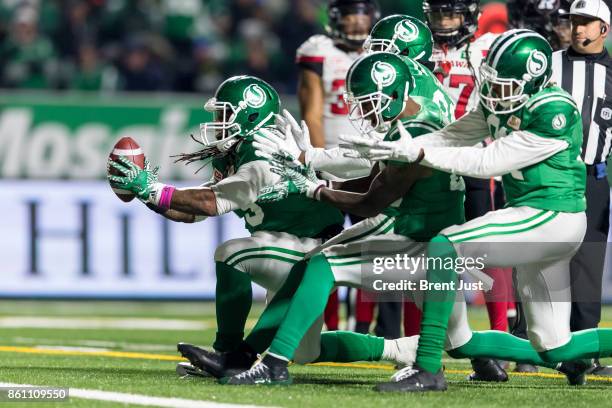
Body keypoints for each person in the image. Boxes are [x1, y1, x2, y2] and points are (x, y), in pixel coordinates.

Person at [340, 29, 612, 393]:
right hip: (536, 219)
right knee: (553, 345)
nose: (495, 91)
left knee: (445, 245)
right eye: (492, 81)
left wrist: (417, 154)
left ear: (531, 80)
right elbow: (452, 136)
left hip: (552, 217)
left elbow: (488, 161)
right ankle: (574, 361)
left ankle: (427, 368)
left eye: (504, 84)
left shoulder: (554, 110)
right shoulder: (507, 100)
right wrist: (398, 147)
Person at [424, 0, 517, 375]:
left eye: (451, 14)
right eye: (439, 15)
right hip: (427, 161)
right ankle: (420, 348)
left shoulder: (485, 49)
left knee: (485, 254)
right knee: (421, 256)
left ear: (469, 16)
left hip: (475, 160)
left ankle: (500, 341)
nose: (445, 22)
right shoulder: (419, 49)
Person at [296, 0, 380, 333]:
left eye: (362, 18)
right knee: (323, 248)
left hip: (370, 162)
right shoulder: (317, 50)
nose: (358, 26)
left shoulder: (381, 52)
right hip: (329, 159)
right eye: (350, 18)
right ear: (335, 20)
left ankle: (362, 327)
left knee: (371, 249)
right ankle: (327, 326)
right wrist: (319, 162)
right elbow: (312, 113)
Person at [550, 0, 612, 376]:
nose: (577, 29)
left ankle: (586, 350)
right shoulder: (550, 65)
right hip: (552, 175)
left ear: (604, 29)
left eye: (587, 23)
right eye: (574, 21)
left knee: (588, 265)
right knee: (538, 257)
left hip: (593, 178)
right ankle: (529, 346)